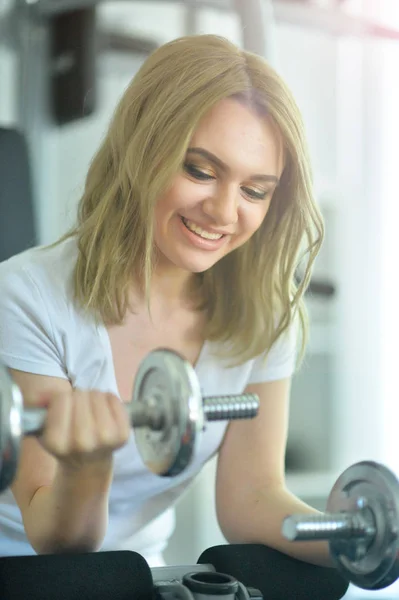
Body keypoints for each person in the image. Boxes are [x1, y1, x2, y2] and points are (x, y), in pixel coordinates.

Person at [0, 34, 331, 568]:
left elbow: (250, 500)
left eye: (255, 190)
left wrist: (359, 541)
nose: (224, 212)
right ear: (142, 147)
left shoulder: (265, 315)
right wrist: (89, 466)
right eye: (200, 170)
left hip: (136, 575)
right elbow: (53, 542)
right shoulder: (26, 295)